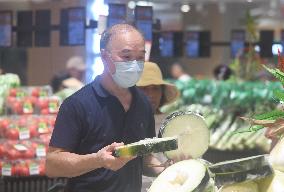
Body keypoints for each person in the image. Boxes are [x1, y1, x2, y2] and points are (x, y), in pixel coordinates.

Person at [46, 23, 164, 192]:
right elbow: (52, 165)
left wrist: (168, 169)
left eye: (140, 58)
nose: (135, 64)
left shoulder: (143, 103)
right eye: (127, 56)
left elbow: (145, 159)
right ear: (104, 57)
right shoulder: (77, 104)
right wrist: (98, 160)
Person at [136, 61, 180, 192]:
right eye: (144, 88)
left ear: (162, 92)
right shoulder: (127, 123)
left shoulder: (174, 122)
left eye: (155, 88)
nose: (150, 94)